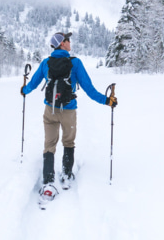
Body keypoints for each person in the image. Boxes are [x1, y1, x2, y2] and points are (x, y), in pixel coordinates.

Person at [20, 32, 117, 201]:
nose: (70, 42)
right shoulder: (75, 63)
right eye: (68, 40)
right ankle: (66, 175)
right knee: (68, 142)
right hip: (69, 111)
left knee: (49, 145)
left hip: (50, 110)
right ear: (62, 44)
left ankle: (48, 182)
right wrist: (107, 101)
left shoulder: (46, 63)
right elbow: (89, 89)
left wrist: (23, 90)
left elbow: (33, 84)